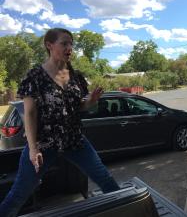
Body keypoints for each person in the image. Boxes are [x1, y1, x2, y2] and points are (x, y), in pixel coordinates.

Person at [0, 28, 120, 217]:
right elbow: (30, 113)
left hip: (74, 141)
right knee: (19, 194)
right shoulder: (35, 76)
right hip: (43, 145)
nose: (70, 47)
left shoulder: (76, 76)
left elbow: (79, 107)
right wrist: (33, 149)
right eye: (64, 43)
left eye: (71, 44)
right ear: (49, 45)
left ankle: (130, 209)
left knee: (105, 179)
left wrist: (91, 101)